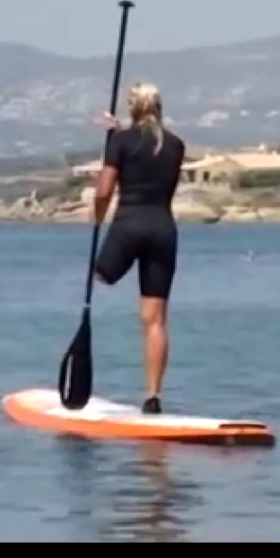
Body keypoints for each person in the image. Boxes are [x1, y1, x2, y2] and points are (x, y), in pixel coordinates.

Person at [90, 82, 186, 414]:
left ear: (133, 107)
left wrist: (97, 220)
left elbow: (104, 192)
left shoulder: (120, 143)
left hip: (129, 227)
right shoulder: (175, 145)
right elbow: (146, 151)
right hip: (163, 231)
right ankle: (153, 396)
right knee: (155, 318)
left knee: (97, 276)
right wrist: (117, 134)